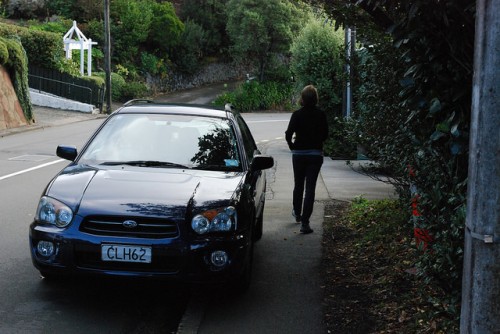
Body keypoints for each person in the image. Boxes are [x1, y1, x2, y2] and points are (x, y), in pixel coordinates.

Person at [285, 85, 329, 234]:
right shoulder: (321, 114)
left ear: (302, 99)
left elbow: (288, 134)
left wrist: (293, 147)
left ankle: (297, 213)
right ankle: (305, 223)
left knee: (298, 185)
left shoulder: (297, 115)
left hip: (299, 154)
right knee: (310, 188)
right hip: (315, 155)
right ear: (316, 99)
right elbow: (325, 134)